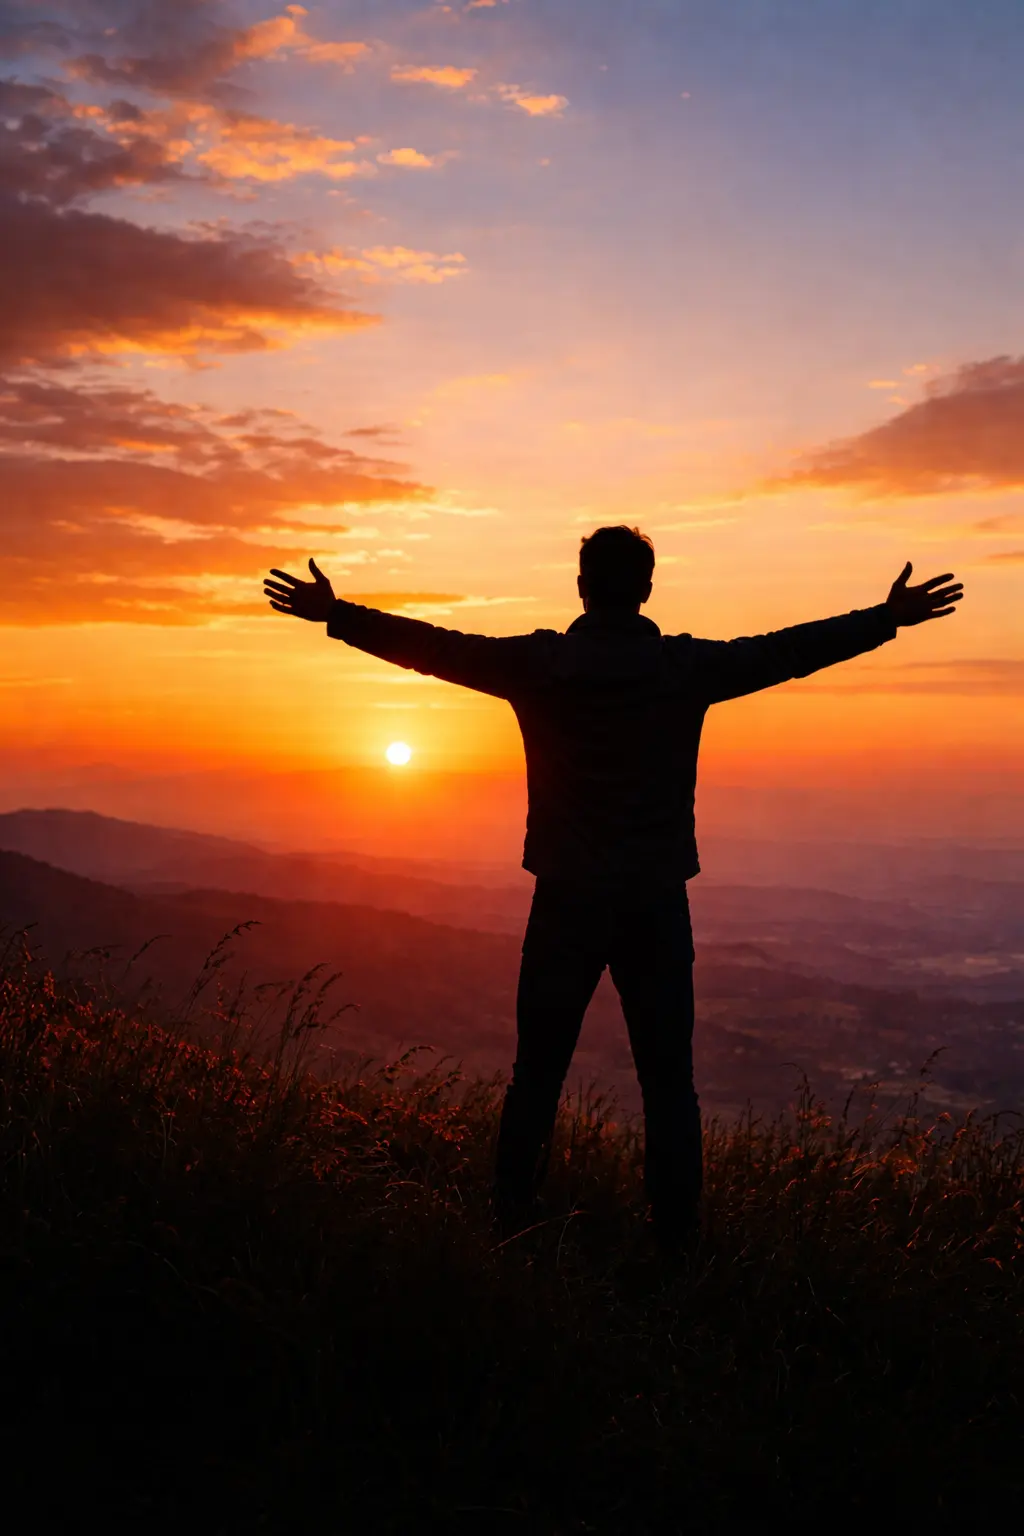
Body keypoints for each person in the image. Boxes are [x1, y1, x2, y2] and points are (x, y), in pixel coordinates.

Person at [263, 530, 963, 1252]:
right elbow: (786, 651)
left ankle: (509, 1232)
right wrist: (884, 620)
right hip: (656, 904)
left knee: (535, 1077)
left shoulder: (540, 665)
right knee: (669, 1088)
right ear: (647, 590)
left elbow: (437, 648)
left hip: (564, 900)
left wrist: (337, 614)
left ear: (580, 587)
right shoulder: (682, 668)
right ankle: (676, 1248)